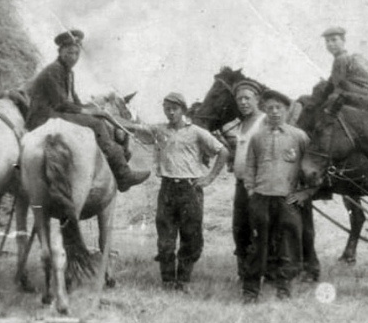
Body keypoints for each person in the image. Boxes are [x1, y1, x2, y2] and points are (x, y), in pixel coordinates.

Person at [125, 93, 228, 291]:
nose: (170, 112)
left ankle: (183, 281)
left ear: (183, 110)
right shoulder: (159, 130)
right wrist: (106, 116)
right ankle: (167, 282)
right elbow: (134, 127)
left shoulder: (196, 132)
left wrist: (209, 178)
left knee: (191, 237)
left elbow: (222, 151)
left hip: (190, 189)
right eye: (167, 108)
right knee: (165, 238)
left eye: (174, 109)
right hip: (167, 189)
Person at [25, 29, 150, 192]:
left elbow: (75, 101)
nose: (74, 57)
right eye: (70, 52)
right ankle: (123, 174)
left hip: (56, 113)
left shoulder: (68, 73)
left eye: (77, 53)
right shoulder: (53, 70)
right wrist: (91, 113)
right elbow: (61, 104)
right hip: (43, 117)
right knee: (96, 123)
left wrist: (94, 109)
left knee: (101, 117)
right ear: (61, 51)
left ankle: (112, 160)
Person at [242, 89, 310, 302]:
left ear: (286, 110)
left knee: (287, 244)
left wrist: (305, 193)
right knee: (257, 246)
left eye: (278, 108)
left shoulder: (299, 137)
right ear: (265, 111)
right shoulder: (257, 137)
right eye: (269, 108)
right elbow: (250, 166)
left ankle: (284, 289)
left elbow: (311, 167)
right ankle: (251, 291)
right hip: (261, 197)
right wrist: (251, 189)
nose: (274, 112)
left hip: (287, 200)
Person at [229, 80, 267, 279]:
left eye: (247, 98)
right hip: (240, 185)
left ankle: (260, 274)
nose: (243, 102)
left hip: (259, 187)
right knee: (240, 229)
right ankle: (243, 273)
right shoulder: (241, 123)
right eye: (239, 99)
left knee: (258, 230)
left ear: (257, 99)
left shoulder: (265, 121)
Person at [322, 26, 368, 96]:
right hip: (367, 92)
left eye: (334, 40)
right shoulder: (345, 58)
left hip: (363, 94)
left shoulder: (341, 59)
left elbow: (337, 85)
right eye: (327, 41)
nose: (330, 44)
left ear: (343, 41)